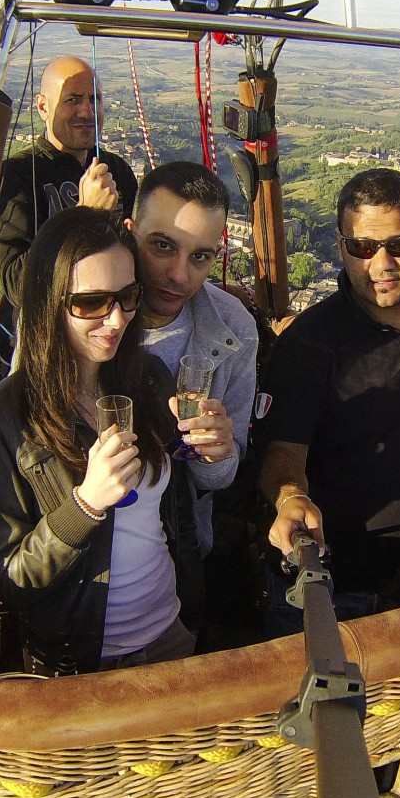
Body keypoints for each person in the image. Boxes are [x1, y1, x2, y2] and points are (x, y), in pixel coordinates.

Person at [0, 207, 202, 674]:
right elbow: (13, 580)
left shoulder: (147, 379)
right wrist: (85, 506)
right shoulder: (3, 420)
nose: (116, 320)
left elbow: (173, 513)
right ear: (49, 302)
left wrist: (207, 450)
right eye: (92, 302)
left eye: (127, 296)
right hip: (84, 662)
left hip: (172, 632)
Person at [254, 167, 400, 630]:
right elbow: (281, 452)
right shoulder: (311, 343)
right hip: (326, 582)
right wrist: (291, 497)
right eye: (362, 248)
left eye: (398, 245)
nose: (381, 264)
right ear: (341, 249)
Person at [126, 161, 259, 559]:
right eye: (162, 246)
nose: (179, 275)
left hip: (177, 547)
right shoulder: (73, 308)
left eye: (200, 256)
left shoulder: (234, 329)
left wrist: (216, 452)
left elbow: (222, 475)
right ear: (130, 235)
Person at [0, 55, 138, 314]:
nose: (86, 111)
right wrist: (85, 215)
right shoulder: (17, 176)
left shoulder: (116, 170)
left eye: (95, 99)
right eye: (73, 100)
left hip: (108, 327)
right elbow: (17, 285)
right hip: (44, 340)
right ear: (43, 107)